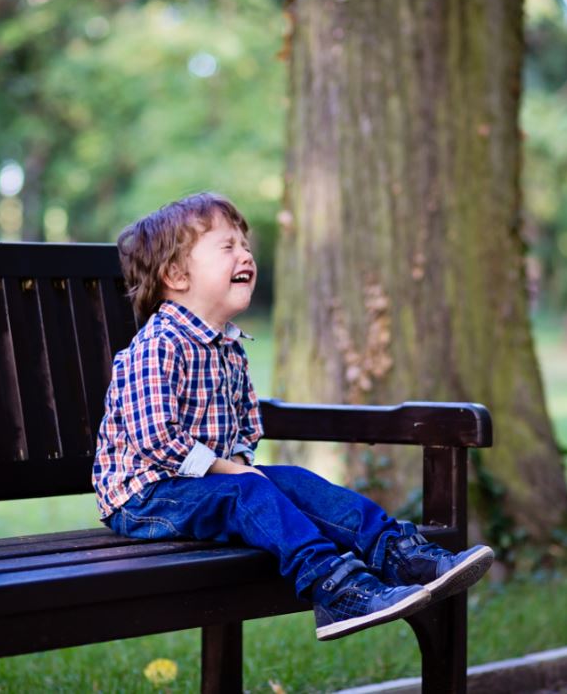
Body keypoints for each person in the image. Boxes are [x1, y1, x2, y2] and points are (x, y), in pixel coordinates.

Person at [91, 192, 493, 640]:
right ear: (176, 274)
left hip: (211, 485)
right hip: (145, 496)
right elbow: (157, 441)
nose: (245, 254)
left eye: (245, 245)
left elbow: (246, 422)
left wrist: (240, 462)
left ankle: (399, 555)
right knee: (247, 493)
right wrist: (234, 472)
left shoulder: (229, 347)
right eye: (227, 247)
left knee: (295, 481)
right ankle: (338, 591)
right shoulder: (157, 345)